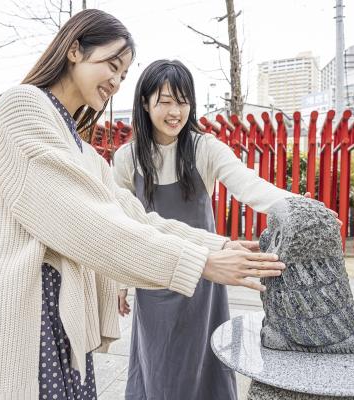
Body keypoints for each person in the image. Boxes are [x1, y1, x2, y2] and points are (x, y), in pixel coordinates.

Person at [0, 11, 285, 400]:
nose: (116, 80)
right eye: (112, 64)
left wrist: (218, 246)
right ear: (74, 49)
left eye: (124, 74)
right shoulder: (21, 108)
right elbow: (86, 223)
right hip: (18, 323)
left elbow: (135, 215)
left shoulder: (82, 149)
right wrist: (201, 262)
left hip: (57, 326)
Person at [112, 59, 300, 400]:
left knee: (204, 361)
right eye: (165, 100)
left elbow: (249, 186)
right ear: (145, 102)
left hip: (205, 274)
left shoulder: (204, 149)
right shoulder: (127, 158)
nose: (175, 111)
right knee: (158, 362)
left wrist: (300, 206)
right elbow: (121, 224)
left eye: (182, 101)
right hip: (153, 275)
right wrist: (121, 282)